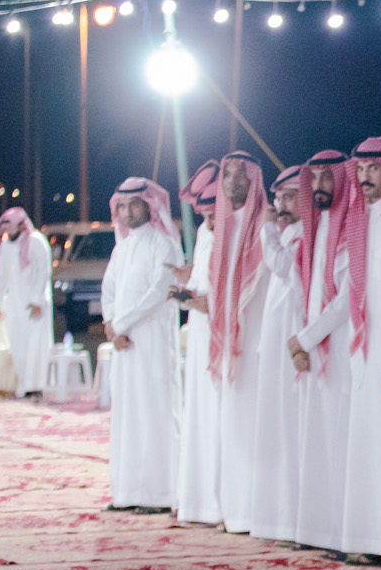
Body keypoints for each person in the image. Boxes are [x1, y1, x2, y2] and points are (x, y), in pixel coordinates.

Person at [325, 138, 381, 561]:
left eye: (374, 168)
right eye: (359, 169)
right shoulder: (360, 219)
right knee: (365, 445)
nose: (364, 177)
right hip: (363, 350)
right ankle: (366, 541)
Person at [288, 150, 357, 554]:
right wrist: (302, 339)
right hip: (314, 348)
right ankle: (317, 531)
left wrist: (306, 338)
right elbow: (306, 291)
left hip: (342, 352)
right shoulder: (316, 227)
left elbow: (347, 299)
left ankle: (340, 532)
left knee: (337, 441)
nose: (318, 186)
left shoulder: (350, 227)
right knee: (315, 441)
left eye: (326, 178)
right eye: (313, 178)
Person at [103, 178, 182, 512]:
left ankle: (160, 494)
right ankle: (127, 493)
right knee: (127, 415)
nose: (126, 212)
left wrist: (121, 324)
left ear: (150, 206)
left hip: (152, 342)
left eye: (133, 204)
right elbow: (109, 290)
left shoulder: (165, 245)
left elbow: (159, 292)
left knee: (155, 413)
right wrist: (111, 326)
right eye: (121, 206)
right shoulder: (121, 247)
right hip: (125, 345)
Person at [210, 152, 271, 535]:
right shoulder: (224, 226)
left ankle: (253, 512)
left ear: (254, 180)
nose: (233, 180)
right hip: (231, 346)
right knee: (231, 425)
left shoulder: (266, 225)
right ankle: (232, 510)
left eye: (240, 174)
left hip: (259, 342)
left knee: (254, 426)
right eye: (227, 173)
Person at [251, 166, 304, 542]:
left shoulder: (301, 234)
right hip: (275, 343)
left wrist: (267, 230)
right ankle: (276, 516)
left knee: (289, 427)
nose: (281, 205)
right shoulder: (288, 233)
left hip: (294, 342)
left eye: (289, 197)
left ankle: (291, 517)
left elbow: (283, 267)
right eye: (278, 198)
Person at [174, 163, 224, 526]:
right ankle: (197, 501)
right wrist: (186, 290)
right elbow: (202, 281)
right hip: (201, 331)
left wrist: (213, 303)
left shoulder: (239, 231)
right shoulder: (207, 233)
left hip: (225, 334)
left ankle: (219, 503)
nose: (208, 221)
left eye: (212, 213)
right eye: (203, 215)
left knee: (218, 417)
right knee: (200, 415)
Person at [0, 207, 54, 397]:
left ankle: (37, 386)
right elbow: (1, 276)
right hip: (15, 303)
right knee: (18, 344)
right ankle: (24, 385)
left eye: (9, 227)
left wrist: (36, 301)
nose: (7, 232)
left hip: (36, 304)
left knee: (36, 345)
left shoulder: (37, 241)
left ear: (20, 225)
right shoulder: (6, 246)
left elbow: (43, 273)